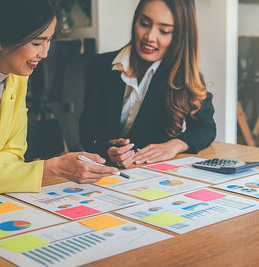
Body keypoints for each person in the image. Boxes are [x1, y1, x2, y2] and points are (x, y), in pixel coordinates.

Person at [0, 0, 118, 194]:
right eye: (37, 42)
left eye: (49, 40)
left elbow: (14, 153)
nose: (44, 53)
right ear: (1, 40)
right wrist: (55, 167)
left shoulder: (16, 74)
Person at [79, 0, 216, 168]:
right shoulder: (101, 66)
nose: (150, 37)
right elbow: (87, 133)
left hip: (152, 175)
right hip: (104, 173)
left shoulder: (184, 77)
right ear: (135, 20)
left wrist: (175, 145)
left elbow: (205, 128)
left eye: (164, 31)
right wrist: (108, 150)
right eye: (144, 23)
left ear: (179, 36)